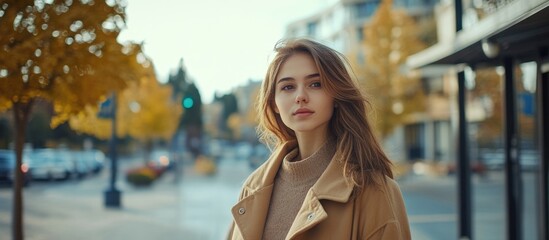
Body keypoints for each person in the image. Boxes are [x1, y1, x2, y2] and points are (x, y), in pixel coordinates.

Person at [227, 38, 411, 240]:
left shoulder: (376, 192)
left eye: (315, 84)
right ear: (274, 104)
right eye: (288, 87)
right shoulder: (252, 189)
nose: (300, 96)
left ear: (337, 96)